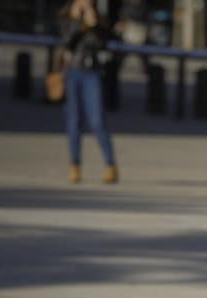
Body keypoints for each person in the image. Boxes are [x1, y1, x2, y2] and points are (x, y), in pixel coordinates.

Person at [59, 0, 118, 185]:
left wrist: (94, 24)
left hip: (92, 73)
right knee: (74, 121)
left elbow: (106, 43)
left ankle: (110, 165)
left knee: (97, 120)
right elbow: (67, 43)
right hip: (73, 72)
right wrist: (78, 23)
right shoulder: (66, 16)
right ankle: (74, 165)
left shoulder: (99, 18)